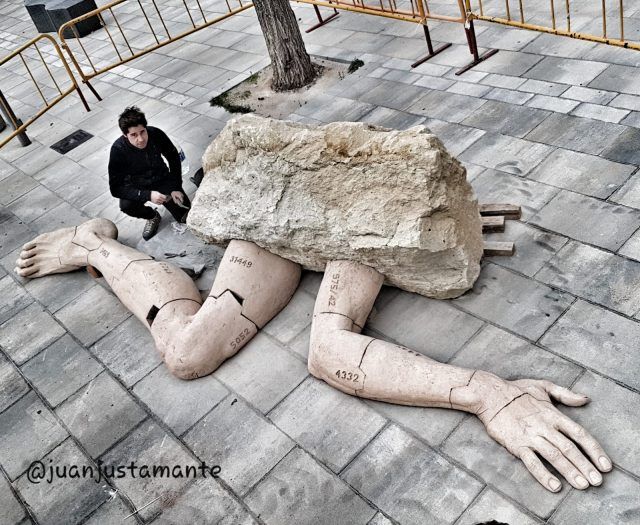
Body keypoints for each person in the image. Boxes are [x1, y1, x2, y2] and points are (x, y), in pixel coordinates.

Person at [108, 106, 191, 240]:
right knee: (127, 206)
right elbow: (116, 189)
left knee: (185, 215)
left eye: (142, 132)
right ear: (125, 135)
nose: (140, 139)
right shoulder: (118, 150)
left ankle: (171, 198)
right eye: (133, 135)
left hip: (160, 178)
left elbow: (173, 157)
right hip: (137, 185)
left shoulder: (155, 134)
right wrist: (147, 195)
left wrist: (175, 186)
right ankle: (152, 216)